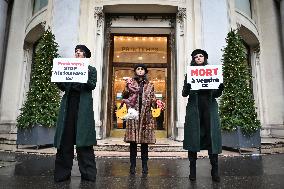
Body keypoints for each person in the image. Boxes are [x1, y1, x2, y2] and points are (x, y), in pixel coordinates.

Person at [54, 45, 97, 182]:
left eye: (80, 52)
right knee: (65, 142)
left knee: (84, 143)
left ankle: (88, 174)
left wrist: (82, 76)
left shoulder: (91, 70)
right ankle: (62, 174)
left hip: (82, 109)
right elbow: (61, 85)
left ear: (85, 55)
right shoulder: (68, 67)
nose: (78, 53)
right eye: (76, 52)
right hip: (68, 108)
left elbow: (92, 85)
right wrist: (57, 74)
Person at [182, 49, 224, 182]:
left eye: (201, 56)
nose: (198, 58)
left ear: (205, 58)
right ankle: (192, 171)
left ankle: (215, 171)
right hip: (195, 110)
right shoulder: (189, 74)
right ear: (193, 60)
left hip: (209, 109)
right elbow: (184, 93)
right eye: (196, 57)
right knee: (194, 139)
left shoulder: (212, 72)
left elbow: (216, 94)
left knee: (212, 138)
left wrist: (220, 88)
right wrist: (188, 86)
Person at [122, 63, 157, 175]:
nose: (140, 71)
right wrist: (127, 87)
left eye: (142, 69)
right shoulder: (131, 82)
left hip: (146, 116)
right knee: (133, 143)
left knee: (144, 143)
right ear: (135, 71)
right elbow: (125, 95)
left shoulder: (150, 84)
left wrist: (156, 103)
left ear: (145, 71)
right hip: (134, 115)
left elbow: (153, 99)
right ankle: (132, 166)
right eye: (138, 69)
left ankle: (145, 166)